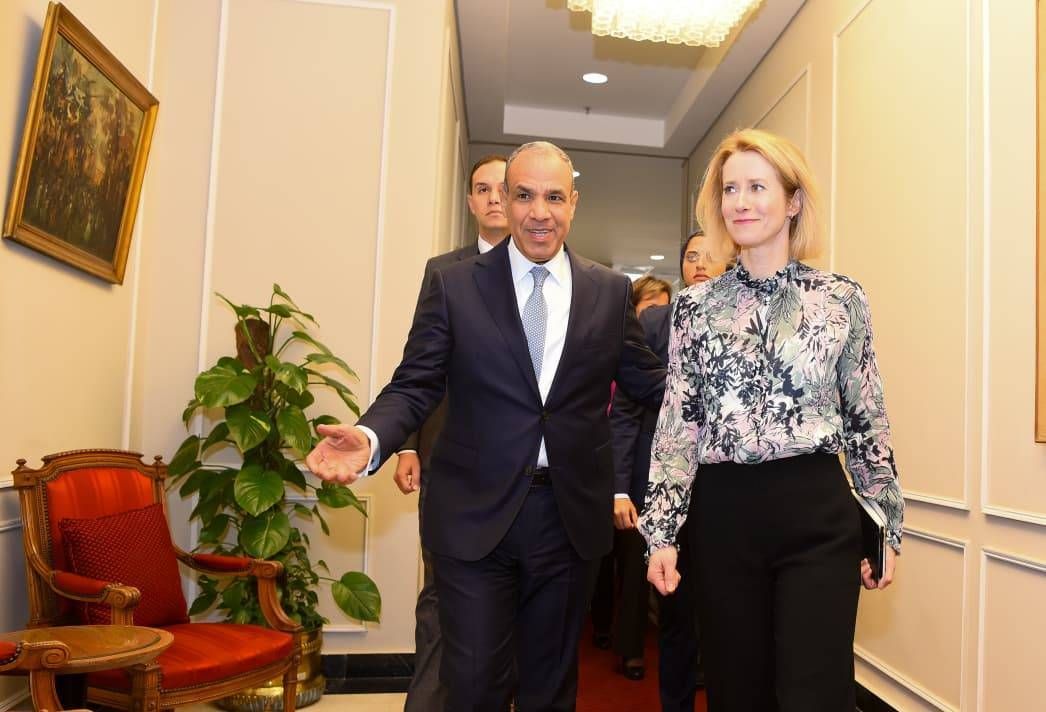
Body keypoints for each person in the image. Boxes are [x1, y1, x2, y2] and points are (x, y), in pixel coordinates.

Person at [306, 141, 666, 711]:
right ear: (505, 198)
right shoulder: (455, 285)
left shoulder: (609, 291)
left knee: (550, 689)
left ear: (574, 203)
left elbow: (651, 384)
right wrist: (372, 437)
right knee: (473, 687)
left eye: (554, 197)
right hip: (473, 517)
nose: (539, 212)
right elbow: (415, 382)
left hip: (568, 519)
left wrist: (740, 400)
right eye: (524, 196)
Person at [641, 128, 904, 712]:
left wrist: (883, 521)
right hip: (724, 519)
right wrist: (662, 533)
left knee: (817, 694)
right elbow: (678, 427)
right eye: (730, 189)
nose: (740, 201)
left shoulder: (841, 299)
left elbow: (867, 417)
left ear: (792, 201)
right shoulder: (694, 308)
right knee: (738, 692)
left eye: (757, 187)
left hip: (817, 514)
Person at [391, 154, 509, 712]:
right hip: (447, 462)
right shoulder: (443, 271)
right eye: (483, 189)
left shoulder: (551, 273)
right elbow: (420, 366)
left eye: (504, 188)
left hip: (519, 471)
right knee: (441, 595)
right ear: (470, 202)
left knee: (510, 602)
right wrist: (408, 446)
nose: (494, 198)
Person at [610, 230, 727, 705]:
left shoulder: (747, 318)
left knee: (727, 617)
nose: (699, 263)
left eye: (710, 256)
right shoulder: (657, 321)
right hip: (665, 489)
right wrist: (620, 487)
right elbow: (625, 411)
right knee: (675, 614)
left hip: (726, 491)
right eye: (691, 256)